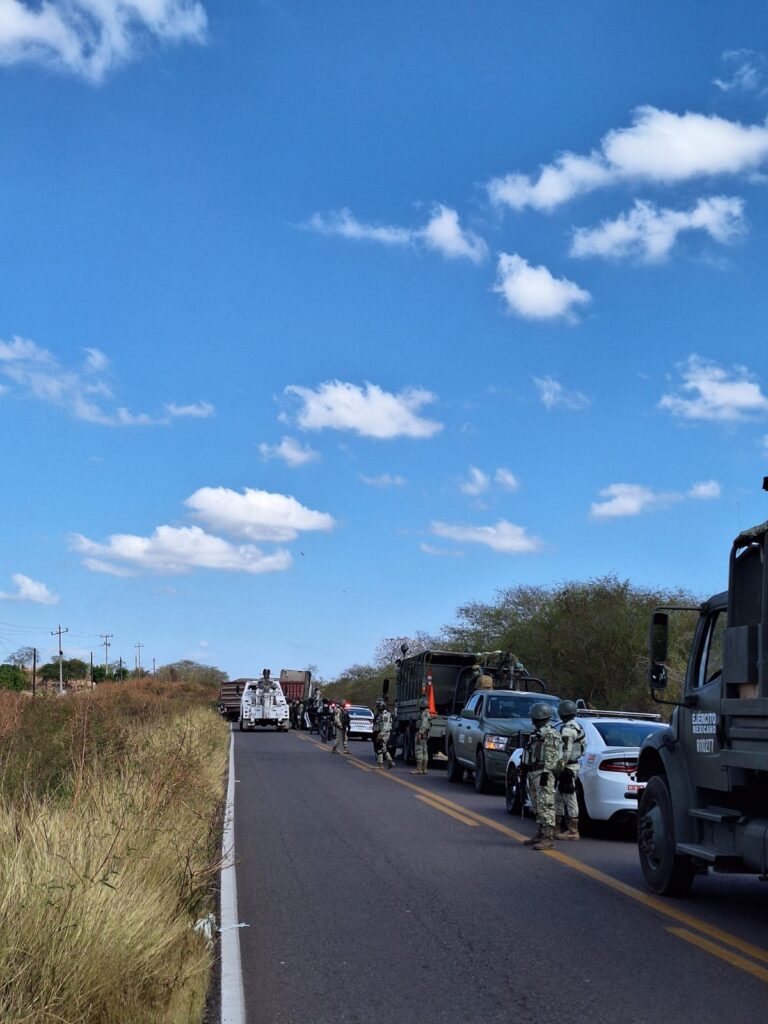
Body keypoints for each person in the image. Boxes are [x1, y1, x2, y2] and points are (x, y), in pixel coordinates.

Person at [521, 702, 562, 850]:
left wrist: (547, 772)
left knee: (546, 803)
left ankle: (548, 837)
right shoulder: (537, 733)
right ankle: (541, 832)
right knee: (537, 803)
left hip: (543, 773)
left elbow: (552, 755)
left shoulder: (550, 734)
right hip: (534, 771)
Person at [554, 700, 586, 841]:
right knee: (559, 797)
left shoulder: (567, 730)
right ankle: (557, 828)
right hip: (572, 765)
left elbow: (566, 753)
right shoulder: (578, 727)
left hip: (568, 767)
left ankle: (573, 830)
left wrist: (558, 769)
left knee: (569, 797)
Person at [410, 696, 432, 775]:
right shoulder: (427, 713)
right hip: (425, 734)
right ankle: (424, 769)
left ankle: (419, 769)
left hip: (421, 734)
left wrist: (420, 733)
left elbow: (424, 724)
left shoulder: (425, 713)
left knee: (419, 751)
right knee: (424, 751)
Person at [373, 698, 394, 769]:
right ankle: (388, 761)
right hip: (379, 732)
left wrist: (381, 734)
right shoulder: (379, 714)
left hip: (384, 733)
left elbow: (386, 725)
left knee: (381, 748)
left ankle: (384, 763)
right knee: (381, 748)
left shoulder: (385, 715)